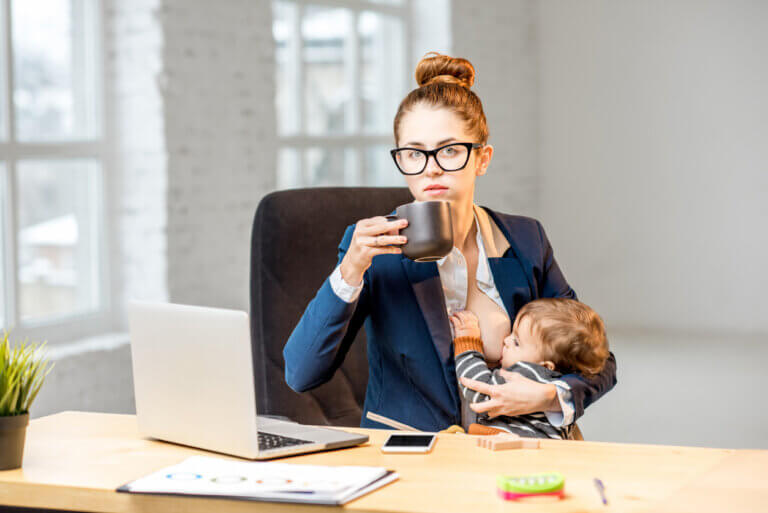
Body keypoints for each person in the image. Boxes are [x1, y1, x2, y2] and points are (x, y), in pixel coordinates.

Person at [283, 52, 617, 432]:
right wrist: (351, 269)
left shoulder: (525, 241)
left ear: (482, 158)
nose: (431, 167)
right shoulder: (374, 251)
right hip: (415, 454)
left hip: (516, 450)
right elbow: (301, 372)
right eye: (413, 153)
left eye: (450, 150)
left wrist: (548, 396)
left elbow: (597, 359)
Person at [450, 298, 610, 438]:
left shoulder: (530, 373)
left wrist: (467, 341)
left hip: (517, 446)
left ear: (545, 366)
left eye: (517, 342)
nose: (506, 340)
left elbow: (478, 389)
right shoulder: (554, 377)